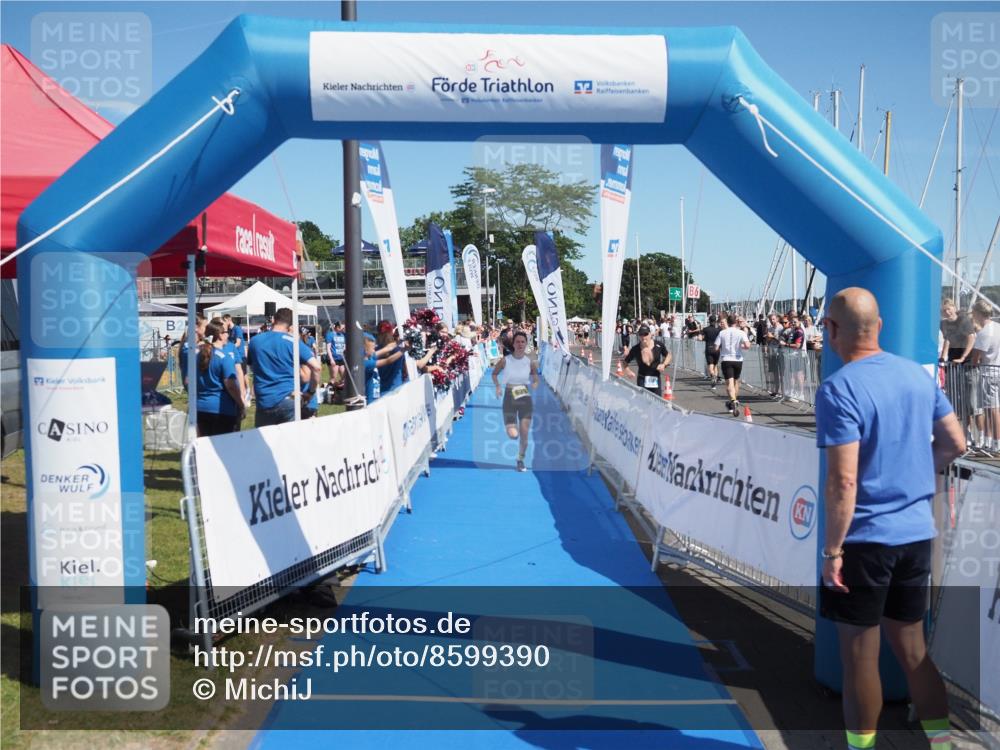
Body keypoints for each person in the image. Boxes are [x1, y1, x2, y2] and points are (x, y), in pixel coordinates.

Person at [816, 287, 966, 750]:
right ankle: (941, 743)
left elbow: (843, 482)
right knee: (913, 650)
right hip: (915, 533)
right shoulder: (917, 377)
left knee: (860, 658)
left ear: (832, 329)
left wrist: (832, 551)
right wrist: (915, 471)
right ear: (879, 326)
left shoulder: (839, 388)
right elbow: (956, 443)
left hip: (864, 539)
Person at [247, 307, 322, 427]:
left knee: (265, 437)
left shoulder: (255, 341)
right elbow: (316, 367)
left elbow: (251, 367)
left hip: (264, 400)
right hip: (289, 399)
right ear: (290, 325)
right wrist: (311, 392)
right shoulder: (292, 342)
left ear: (273, 320)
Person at [491, 330, 540, 472]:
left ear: (526, 344)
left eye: (522, 342)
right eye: (517, 342)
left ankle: (520, 459)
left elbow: (535, 378)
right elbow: (494, 374)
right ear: (513, 344)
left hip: (525, 398)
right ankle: (512, 428)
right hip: (509, 396)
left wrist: (535, 384)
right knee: (514, 435)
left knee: (524, 434)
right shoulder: (505, 360)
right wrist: (498, 386)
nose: (520, 344)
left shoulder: (529, 362)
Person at [195, 321, 244, 436]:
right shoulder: (224, 357)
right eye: (226, 332)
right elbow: (231, 385)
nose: (228, 335)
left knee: (205, 444)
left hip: (200, 408)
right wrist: (241, 404)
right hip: (221, 409)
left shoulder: (198, 356)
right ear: (220, 335)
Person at [970, 299, 1000, 452]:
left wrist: (973, 363)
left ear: (978, 313)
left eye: (974, 312)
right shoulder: (997, 326)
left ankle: (996, 443)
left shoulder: (984, 333)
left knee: (992, 409)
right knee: (991, 409)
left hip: (988, 373)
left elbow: (975, 358)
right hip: (997, 370)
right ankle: (989, 441)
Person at [714, 314, 751, 417]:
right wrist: (740, 346)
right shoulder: (741, 332)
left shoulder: (722, 332)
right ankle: (735, 399)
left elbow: (716, 347)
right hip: (738, 359)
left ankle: (733, 400)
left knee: (729, 382)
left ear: (728, 322)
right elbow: (747, 345)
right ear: (736, 322)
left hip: (726, 359)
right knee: (736, 381)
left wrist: (722, 347)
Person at [623, 324, 672, 395]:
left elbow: (668, 355)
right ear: (639, 336)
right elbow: (625, 362)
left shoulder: (659, 345)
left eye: (645, 334)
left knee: (657, 400)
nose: (643, 337)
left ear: (650, 334)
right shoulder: (635, 349)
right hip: (642, 379)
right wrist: (628, 371)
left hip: (655, 378)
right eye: (641, 334)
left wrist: (663, 365)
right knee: (643, 400)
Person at [376, 321, 406, 396]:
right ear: (392, 332)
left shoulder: (376, 351)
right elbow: (405, 369)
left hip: (382, 390)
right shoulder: (399, 350)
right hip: (397, 389)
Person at [701, 315, 722, 388]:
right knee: (715, 365)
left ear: (709, 321)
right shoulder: (719, 329)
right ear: (715, 321)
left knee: (710, 365)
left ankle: (713, 376)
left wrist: (705, 338)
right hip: (717, 349)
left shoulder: (705, 329)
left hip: (709, 348)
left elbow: (700, 338)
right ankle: (715, 378)